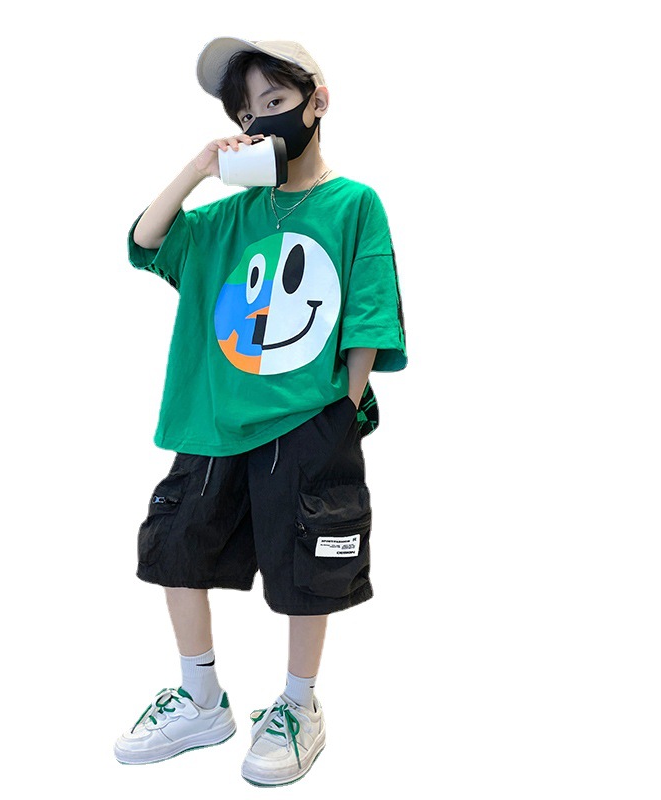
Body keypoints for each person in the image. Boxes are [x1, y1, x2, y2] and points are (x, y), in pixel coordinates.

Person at [114, 37, 408, 787]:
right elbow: (146, 241)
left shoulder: (353, 203)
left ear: (317, 102)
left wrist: (340, 412)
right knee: (178, 545)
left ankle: (299, 706)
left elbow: (369, 313)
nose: (261, 122)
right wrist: (199, 167)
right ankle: (200, 699)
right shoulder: (228, 217)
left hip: (307, 418)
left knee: (311, 564)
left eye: (276, 102)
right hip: (214, 419)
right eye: (247, 113)